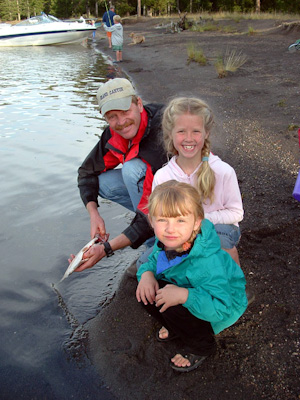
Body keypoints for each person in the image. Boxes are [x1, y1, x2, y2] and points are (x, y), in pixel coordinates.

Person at [136, 180, 248, 372]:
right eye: (163, 220)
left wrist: (184, 296)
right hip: (190, 289)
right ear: (152, 221)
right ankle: (177, 328)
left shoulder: (207, 263)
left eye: (180, 220)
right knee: (146, 294)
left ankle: (201, 346)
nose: (170, 229)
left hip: (223, 306)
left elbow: (221, 307)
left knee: (171, 305)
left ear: (196, 222)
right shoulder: (167, 242)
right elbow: (154, 261)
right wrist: (146, 274)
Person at [72, 78, 167, 271]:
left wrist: (106, 248)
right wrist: (94, 214)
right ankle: (151, 235)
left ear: (139, 104)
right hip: (155, 199)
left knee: (131, 169)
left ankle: (158, 243)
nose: (121, 122)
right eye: (112, 116)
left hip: (184, 198)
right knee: (102, 183)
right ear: (104, 117)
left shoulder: (162, 132)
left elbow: (153, 209)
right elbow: (86, 173)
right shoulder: (114, 134)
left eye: (125, 111)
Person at [152, 96, 244, 266]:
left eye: (196, 131)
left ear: (206, 132)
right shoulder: (162, 177)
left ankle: (234, 285)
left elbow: (237, 213)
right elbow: (158, 217)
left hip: (219, 228)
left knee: (219, 241)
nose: (189, 138)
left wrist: (200, 220)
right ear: (170, 133)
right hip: (180, 230)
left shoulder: (223, 171)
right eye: (181, 131)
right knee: (151, 258)